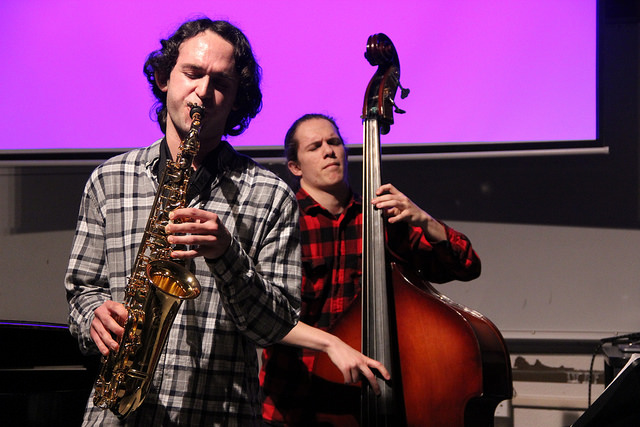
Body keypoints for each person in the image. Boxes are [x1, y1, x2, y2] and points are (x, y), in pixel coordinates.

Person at [65, 18, 302, 425]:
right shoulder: (109, 179)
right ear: (164, 78)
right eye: (192, 73)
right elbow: (82, 291)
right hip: (116, 416)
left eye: (221, 84)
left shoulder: (271, 194)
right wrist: (94, 317)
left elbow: (277, 325)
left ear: (235, 101)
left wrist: (228, 255)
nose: (203, 92)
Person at [259, 113, 482, 426]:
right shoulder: (282, 221)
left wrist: (423, 219)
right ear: (295, 167)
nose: (329, 151)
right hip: (294, 401)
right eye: (315, 147)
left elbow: (465, 265)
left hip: (369, 394)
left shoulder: (380, 220)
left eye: (334, 142)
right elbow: (262, 315)